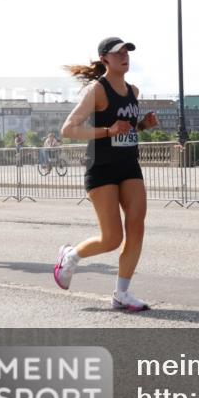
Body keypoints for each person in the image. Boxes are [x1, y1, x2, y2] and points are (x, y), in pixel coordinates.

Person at [52, 37, 158, 311]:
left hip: (128, 165)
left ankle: (121, 293)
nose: (125, 56)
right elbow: (68, 129)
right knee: (112, 238)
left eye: (127, 52)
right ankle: (71, 256)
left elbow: (127, 128)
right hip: (100, 167)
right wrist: (107, 131)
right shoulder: (97, 91)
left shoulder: (133, 91)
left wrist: (143, 125)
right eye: (118, 53)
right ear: (104, 59)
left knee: (137, 225)